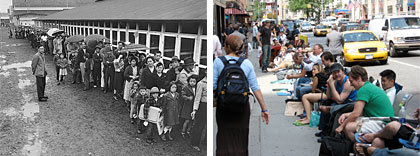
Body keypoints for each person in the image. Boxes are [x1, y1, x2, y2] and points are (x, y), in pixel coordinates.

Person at [214, 35, 269, 155]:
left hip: (224, 106)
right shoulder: (247, 63)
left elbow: (213, 86)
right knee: (241, 136)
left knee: (224, 135)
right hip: (242, 107)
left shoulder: (218, 62)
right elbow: (255, 88)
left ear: (228, 47)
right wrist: (264, 109)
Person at [337, 65, 395, 141]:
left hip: (383, 123)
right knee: (348, 122)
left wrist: (341, 127)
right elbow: (360, 112)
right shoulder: (368, 86)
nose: (351, 84)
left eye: (351, 81)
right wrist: (345, 115)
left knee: (348, 127)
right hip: (380, 120)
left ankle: (359, 147)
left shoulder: (363, 90)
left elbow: (356, 114)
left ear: (358, 78)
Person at [190, 72, 207, 151]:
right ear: (206, 72)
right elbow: (197, 98)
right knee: (199, 126)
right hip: (203, 106)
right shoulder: (201, 83)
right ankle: (194, 143)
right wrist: (194, 110)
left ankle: (206, 142)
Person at [180, 74, 198, 139]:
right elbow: (182, 95)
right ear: (188, 81)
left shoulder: (197, 87)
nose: (192, 83)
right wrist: (188, 98)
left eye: (194, 81)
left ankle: (188, 131)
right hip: (187, 106)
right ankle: (183, 132)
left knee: (192, 120)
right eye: (191, 81)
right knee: (187, 120)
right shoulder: (186, 87)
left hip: (193, 106)